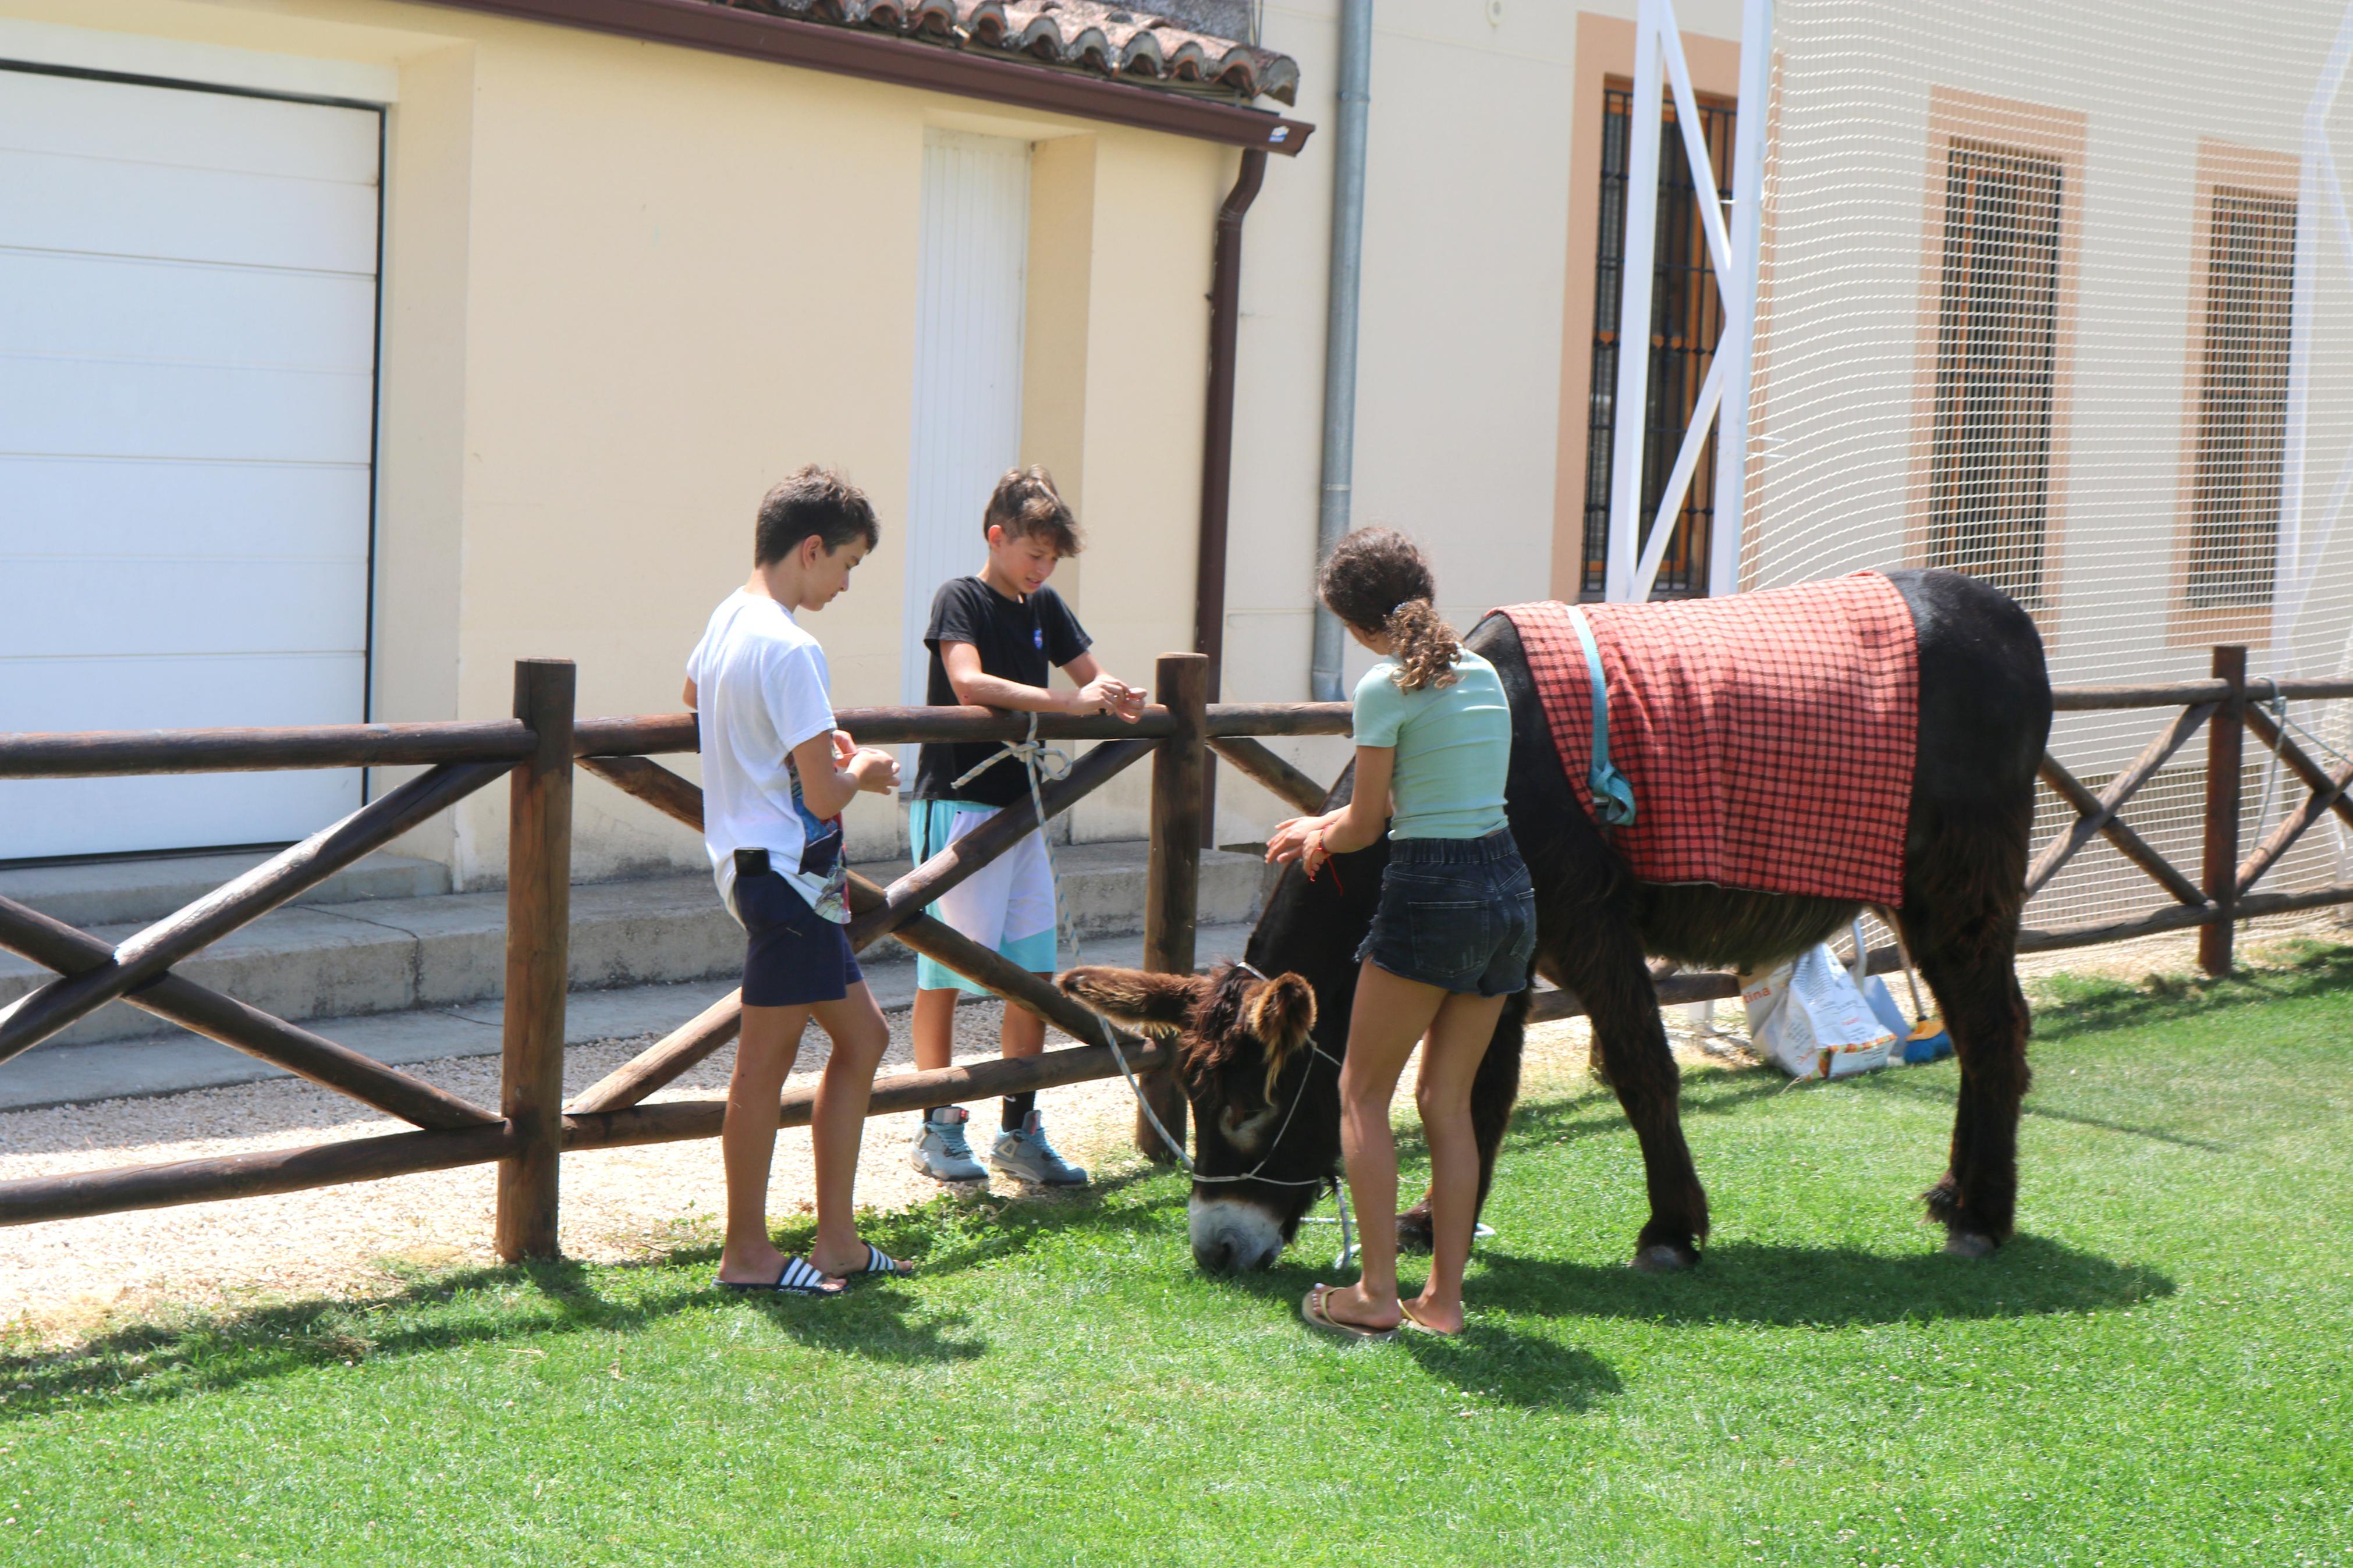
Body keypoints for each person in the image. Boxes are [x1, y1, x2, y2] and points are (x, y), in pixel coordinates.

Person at [1265, 528, 1536, 1337]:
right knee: (1446, 1101)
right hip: (1506, 890)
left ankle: (1375, 1294)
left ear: (1353, 625)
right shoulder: (1483, 673)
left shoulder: (1384, 686)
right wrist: (1328, 820)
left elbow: (1368, 823)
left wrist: (1317, 833)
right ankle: (1442, 1302)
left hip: (1432, 892)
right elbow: (1440, 791)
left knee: (1361, 1092)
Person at [683, 465, 913, 1295]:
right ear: (809, 549)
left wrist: (805, 741)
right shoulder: (791, 644)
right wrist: (870, 769)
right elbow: (824, 793)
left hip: (781, 876)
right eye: (847, 563)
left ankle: (838, 1241)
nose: (848, 582)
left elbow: (693, 694)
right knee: (762, 1069)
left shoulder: (726, 620)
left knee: (864, 1039)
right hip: (784, 874)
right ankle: (746, 1253)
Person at [904, 465, 1145, 1186]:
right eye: (1034, 555)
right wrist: (1070, 704)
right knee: (945, 968)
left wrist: (1118, 697)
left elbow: (1090, 680)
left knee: (1034, 974)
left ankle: (1019, 1128)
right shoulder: (962, 598)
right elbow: (968, 683)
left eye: (1052, 559)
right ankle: (938, 1124)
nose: (1042, 569)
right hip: (959, 804)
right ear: (997, 537)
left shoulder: (1047, 606)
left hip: (1021, 811)